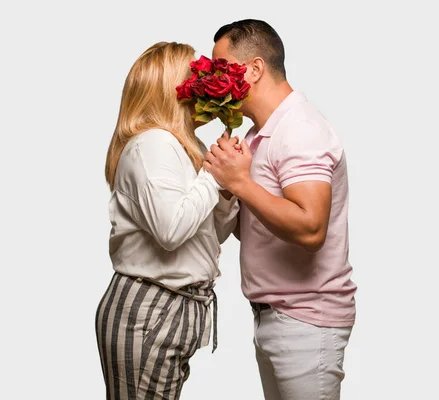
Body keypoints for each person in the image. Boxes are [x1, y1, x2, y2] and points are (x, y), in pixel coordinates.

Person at [204, 19, 357, 400]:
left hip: (306, 320)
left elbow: (310, 229)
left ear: (254, 69)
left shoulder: (300, 128)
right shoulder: (259, 133)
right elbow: (258, 226)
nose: (212, 81)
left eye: (220, 68)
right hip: (275, 317)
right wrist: (227, 186)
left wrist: (240, 183)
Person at [95, 41, 239, 400]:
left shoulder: (185, 146)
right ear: (170, 88)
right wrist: (214, 177)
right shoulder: (153, 144)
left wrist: (226, 187)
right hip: (149, 310)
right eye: (195, 78)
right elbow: (171, 231)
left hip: (170, 308)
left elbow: (210, 235)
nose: (203, 85)